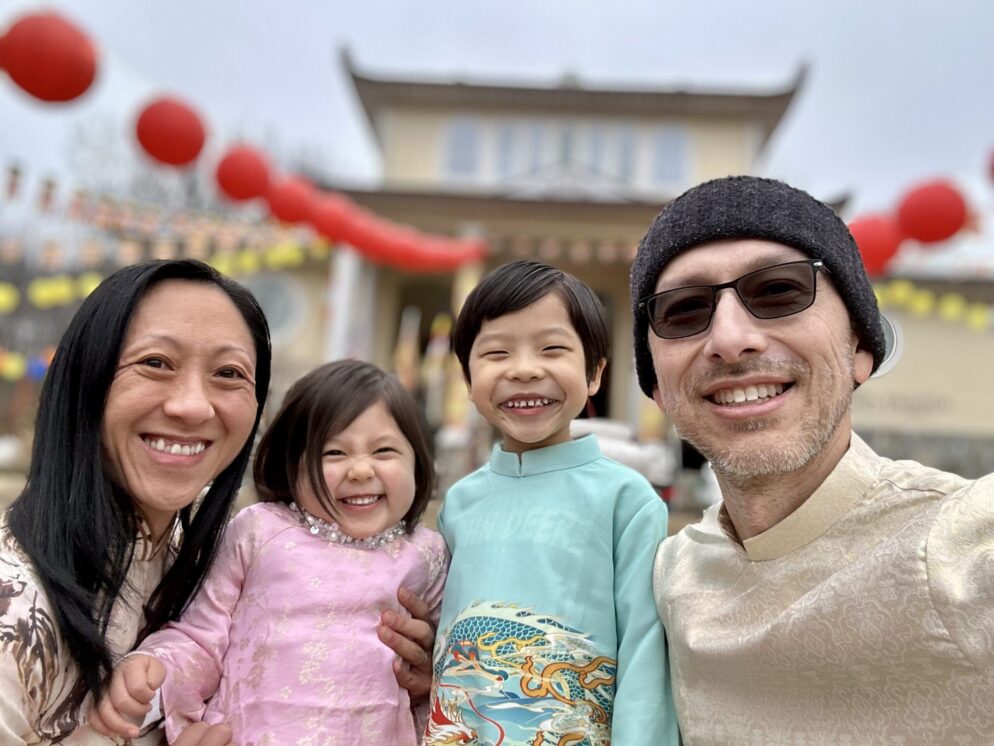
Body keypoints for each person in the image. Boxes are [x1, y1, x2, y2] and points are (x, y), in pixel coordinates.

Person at [630, 175, 994, 742]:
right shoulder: (660, 577)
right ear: (658, 389)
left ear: (860, 349)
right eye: (683, 310)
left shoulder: (958, 544)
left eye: (778, 291)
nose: (730, 338)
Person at [91, 360, 448, 744]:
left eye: (384, 451)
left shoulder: (426, 554)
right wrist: (155, 668)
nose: (360, 470)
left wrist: (431, 677)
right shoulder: (260, 531)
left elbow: (447, 664)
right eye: (334, 453)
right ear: (290, 464)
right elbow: (201, 635)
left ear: (418, 462)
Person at [0, 259, 272, 745]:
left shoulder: (223, 575)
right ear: (87, 381)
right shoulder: (12, 604)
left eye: (229, 373)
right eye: (155, 363)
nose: (191, 405)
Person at [425, 260, 678, 744]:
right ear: (467, 377)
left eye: (552, 349)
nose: (524, 370)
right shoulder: (459, 503)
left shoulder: (626, 500)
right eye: (496, 352)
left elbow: (646, 659)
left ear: (594, 373)